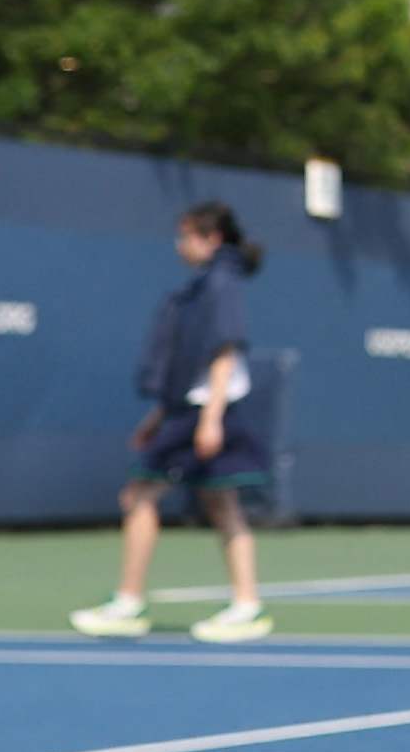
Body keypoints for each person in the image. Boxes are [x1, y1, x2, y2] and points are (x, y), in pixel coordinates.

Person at [71, 201, 276, 642]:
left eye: (186, 236)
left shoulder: (221, 285)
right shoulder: (206, 286)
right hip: (188, 412)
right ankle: (246, 604)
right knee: (220, 505)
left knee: (140, 495)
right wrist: (158, 415)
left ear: (211, 239)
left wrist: (211, 420)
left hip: (205, 415)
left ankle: (130, 602)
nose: (179, 245)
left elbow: (224, 353)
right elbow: (189, 366)